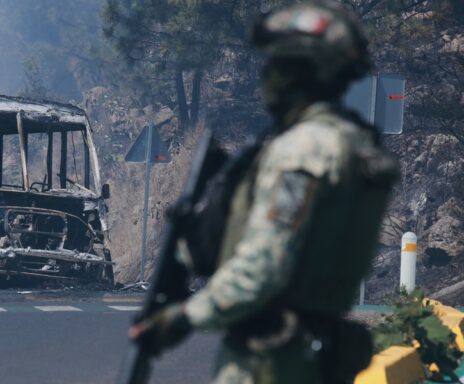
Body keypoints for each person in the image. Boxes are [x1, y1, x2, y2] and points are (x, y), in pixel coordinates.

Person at [130, 1, 399, 383]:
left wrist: (185, 316)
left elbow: (266, 266)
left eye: (276, 66)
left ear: (300, 73)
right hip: (320, 358)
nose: (266, 78)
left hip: (271, 362)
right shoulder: (357, 146)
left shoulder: (303, 151)